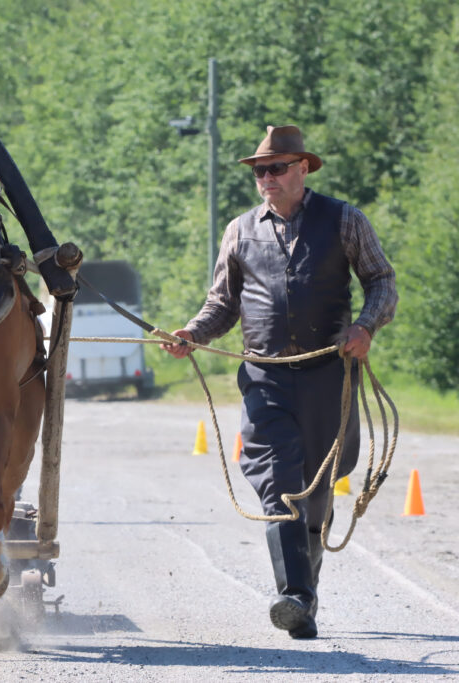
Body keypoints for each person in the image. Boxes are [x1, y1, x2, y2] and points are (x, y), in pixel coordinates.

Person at [163, 125, 397, 639]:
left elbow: (381, 279)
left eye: (276, 168)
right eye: (259, 170)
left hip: (329, 376)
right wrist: (193, 333)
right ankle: (294, 596)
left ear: (303, 169)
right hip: (264, 379)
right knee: (279, 486)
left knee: (314, 493)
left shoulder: (344, 220)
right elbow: (222, 303)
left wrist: (366, 325)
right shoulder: (239, 231)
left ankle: (303, 587)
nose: (265, 178)